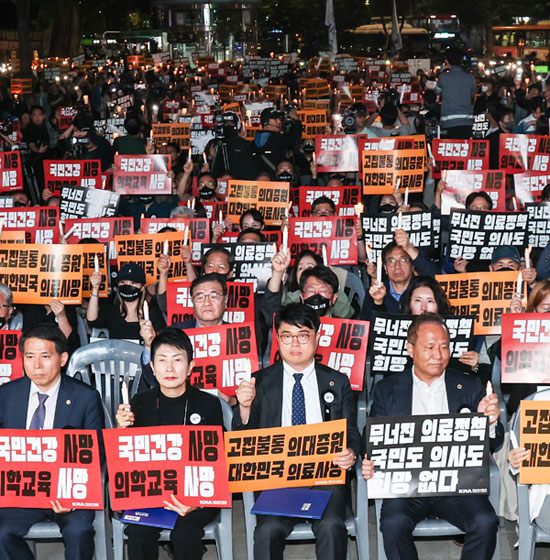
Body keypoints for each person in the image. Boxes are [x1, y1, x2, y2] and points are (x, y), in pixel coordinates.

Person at [362, 313, 503, 560]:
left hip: (458, 484)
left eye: (444, 347)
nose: (438, 355)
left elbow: (495, 442)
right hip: (406, 486)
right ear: (410, 349)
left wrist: (489, 423)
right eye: (429, 347)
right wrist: (368, 459)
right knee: (394, 524)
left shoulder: (469, 385)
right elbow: (372, 438)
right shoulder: (388, 389)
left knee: (485, 522)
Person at [234, 303, 360, 560]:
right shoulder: (260, 381)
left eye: (303, 335)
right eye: (287, 336)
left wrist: (350, 451)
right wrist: (244, 407)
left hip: (326, 477)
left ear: (317, 337)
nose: (295, 344)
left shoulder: (337, 381)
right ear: (277, 339)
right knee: (268, 530)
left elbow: (351, 431)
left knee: (331, 526)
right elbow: (243, 440)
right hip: (276, 478)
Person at [116, 329, 223, 560]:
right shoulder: (139, 403)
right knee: (138, 531)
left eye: (177, 360)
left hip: (197, 494)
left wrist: (196, 502)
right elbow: (125, 461)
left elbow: (218, 461)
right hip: (151, 493)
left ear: (191, 366)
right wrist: (121, 431)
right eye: (162, 361)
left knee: (185, 533)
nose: (170, 369)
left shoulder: (208, 404)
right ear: (152, 368)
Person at [0, 324, 104, 560]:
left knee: (78, 531)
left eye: (45, 356)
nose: (36, 365)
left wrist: (72, 494)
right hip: (22, 491)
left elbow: (97, 453)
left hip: (68, 491)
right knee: (2, 533)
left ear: (63, 358)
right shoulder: (6, 395)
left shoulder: (85, 397)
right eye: (29, 357)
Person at [87, 263, 165, 342]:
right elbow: (92, 321)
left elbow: (162, 340)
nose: (127, 286)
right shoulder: (111, 311)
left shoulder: (152, 313)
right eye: (123, 282)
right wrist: (95, 288)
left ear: (142, 287)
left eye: (133, 283)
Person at [437, 47, 476, 139]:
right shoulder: (470, 78)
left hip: (449, 121)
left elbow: (438, 91)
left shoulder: (443, 77)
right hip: (467, 121)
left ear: (447, 61)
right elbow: (471, 96)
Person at [254, 107, 302, 173]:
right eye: (276, 119)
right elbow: (295, 137)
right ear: (266, 122)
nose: (279, 122)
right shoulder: (275, 138)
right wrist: (296, 120)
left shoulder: (257, 138)